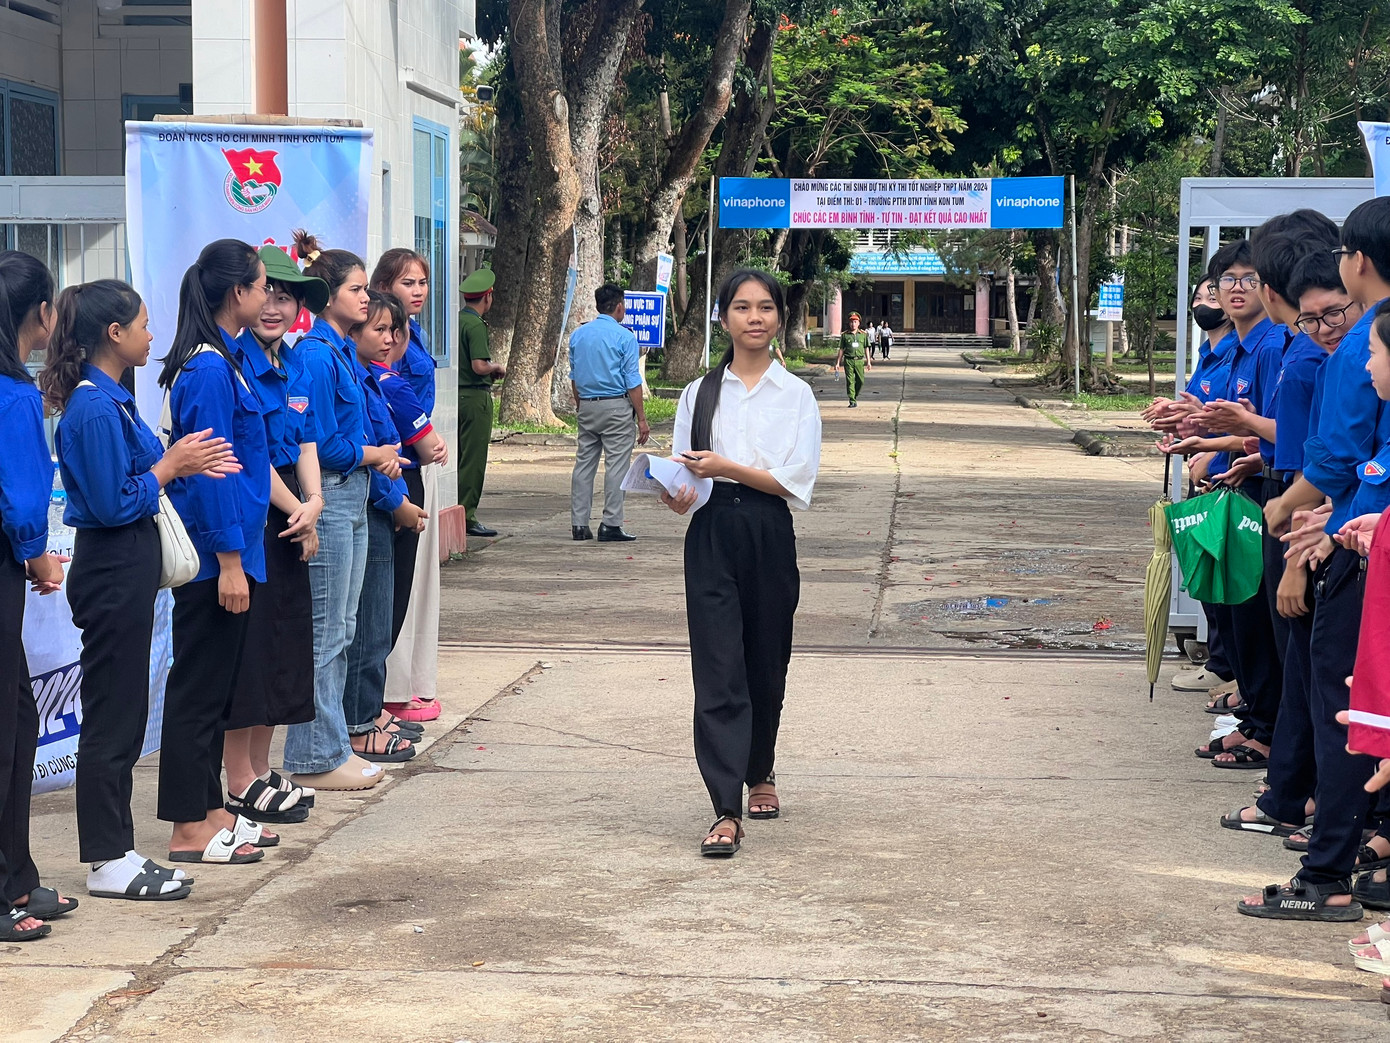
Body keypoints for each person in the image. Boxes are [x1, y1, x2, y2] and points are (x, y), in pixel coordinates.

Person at [44, 279, 240, 899]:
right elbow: (111, 501)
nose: (152, 335)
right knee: (112, 715)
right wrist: (168, 467)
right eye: (143, 324)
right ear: (114, 333)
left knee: (126, 711)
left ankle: (119, 849)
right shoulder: (93, 408)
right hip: (110, 565)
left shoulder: (113, 400)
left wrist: (180, 461)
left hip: (128, 563)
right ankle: (107, 857)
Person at [1238, 197, 1390, 921]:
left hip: (1364, 550)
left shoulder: (1373, 336)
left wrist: (1293, 515)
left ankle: (1326, 870)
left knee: (1346, 709)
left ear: (1356, 261)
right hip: (1358, 530)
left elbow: (1340, 453)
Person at [664, 268, 822, 858]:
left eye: (765, 308)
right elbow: (686, 477)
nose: (754, 317)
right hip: (711, 533)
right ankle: (726, 807)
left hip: (767, 530)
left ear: (780, 317)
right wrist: (675, 491)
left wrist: (724, 467)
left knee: (765, 662)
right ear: (723, 317)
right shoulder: (699, 392)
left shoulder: (796, 394)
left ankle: (762, 770)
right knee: (717, 667)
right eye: (741, 307)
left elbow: (794, 480)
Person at [156, 238, 272, 866]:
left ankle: (210, 809)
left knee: (215, 688)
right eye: (261, 286)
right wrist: (228, 559)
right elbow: (212, 472)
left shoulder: (225, 361)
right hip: (213, 557)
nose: (268, 297)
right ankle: (187, 826)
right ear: (237, 293)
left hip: (236, 549)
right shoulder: (206, 368)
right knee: (198, 691)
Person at [283, 231, 407, 791]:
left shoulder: (336, 351)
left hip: (351, 492)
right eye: (356, 289)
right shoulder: (314, 353)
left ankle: (330, 745)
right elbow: (322, 441)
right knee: (329, 632)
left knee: (345, 626)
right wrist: (375, 453)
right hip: (332, 492)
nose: (366, 298)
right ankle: (316, 752)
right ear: (327, 294)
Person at [224, 246, 331, 822]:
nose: (274, 305)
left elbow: (307, 439)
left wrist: (314, 503)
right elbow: (250, 455)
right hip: (256, 508)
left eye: (286, 296)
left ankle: (263, 769)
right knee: (253, 645)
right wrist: (299, 509)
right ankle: (238, 778)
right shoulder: (232, 362)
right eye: (266, 292)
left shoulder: (294, 364)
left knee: (287, 641)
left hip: (294, 506)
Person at [0, 252, 72, 938]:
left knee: (20, 717)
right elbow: (21, 497)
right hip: (6, 562)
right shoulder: (15, 394)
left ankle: (16, 873)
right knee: (7, 726)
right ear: (40, 314)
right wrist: (37, 556)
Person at [343, 290, 427, 763]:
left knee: (376, 621)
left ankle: (367, 713)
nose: (390, 338)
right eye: (379, 328)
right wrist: (397, 503)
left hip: (382, 502)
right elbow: (355, 452)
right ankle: (358, 724)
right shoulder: (344, 369)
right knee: (363, 626)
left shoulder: (370, 377)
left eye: (393, 331)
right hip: (372, 506)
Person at [370, 249, 445, 724]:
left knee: (406, 588)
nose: (417, 291)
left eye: (421, 282)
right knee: (390, 591)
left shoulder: (412, 337)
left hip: (411, 465)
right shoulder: (386, 364)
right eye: (406, 283)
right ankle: (387, 693)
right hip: (401, 469)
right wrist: (426, 442)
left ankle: (399, 687)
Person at [568, 283, 649, 542]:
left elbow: (574, 376)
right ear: (619, 306)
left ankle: (579, 525)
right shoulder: (625, 337)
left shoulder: (579, 335)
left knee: (584, 465)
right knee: (617, 466)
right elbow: (632, 382)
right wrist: (642, 419)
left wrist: (582, 405)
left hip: (588, 404)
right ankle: (610, 523)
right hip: (616, 407)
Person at [458, 269, 506, 538]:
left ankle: (457, 509)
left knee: (459, 456)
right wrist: (496, 366)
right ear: (487, 297)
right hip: (475, 398)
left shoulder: (457, 321)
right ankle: (468, 515)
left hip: (456, 397)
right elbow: (478, 366)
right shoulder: (476, 325)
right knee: (474, 459)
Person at [833, 312, 872, 407]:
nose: (853, 324)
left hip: (859, 361)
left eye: (855, 322)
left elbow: (866, 348)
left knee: (860, 381)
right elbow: (841, 349)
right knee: (850, 381)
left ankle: (854, 395)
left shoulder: (863, 335)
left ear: (859, 323)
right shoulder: (845, 335)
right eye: (851, 322)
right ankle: (852, 400)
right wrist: (838, 362)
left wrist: (868, 362)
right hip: (848, 360)